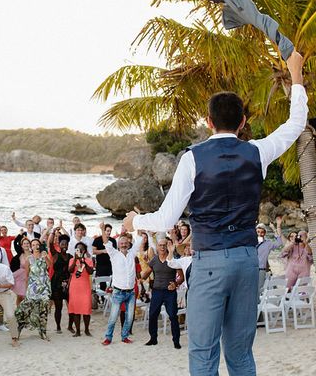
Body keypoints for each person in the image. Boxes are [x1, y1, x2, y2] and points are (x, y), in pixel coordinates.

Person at [124, 51, 307, 375]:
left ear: (208, 122)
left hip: (209, 263)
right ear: (242, 123)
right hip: (247, 261)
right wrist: (296, 74)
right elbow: (295, 124)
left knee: (204, 355)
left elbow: (167, 219)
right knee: (240, 355)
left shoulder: (193, 158)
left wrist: (134, 221)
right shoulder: (257, 151)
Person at [140, 237, 182, 349]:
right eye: (160, 245)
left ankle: (176, 341)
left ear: (168, 246)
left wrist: (175, 284)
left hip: (170, 292)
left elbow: (181, 277)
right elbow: (146, 274)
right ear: (157, 247)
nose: (162, 247)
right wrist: (141, 276)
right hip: (157, 291)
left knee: (173, 316)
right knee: (153, 315)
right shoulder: (154, 260)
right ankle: (153, 339)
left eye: (164, 245)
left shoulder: (173, 259)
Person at [101, 232, 140, 345]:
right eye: (121, 243)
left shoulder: (132, 254)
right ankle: (108, 338)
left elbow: (139, 241)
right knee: (113, 317)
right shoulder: (114, 254)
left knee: (129, 317)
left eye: (125, 243)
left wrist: (142, 227)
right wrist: (103, 229)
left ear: (128, 244)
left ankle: (125, 336)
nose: (123, 245)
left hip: (131, 292)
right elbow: (106, 242)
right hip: (118, 292)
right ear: (118, 245)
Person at [14, 239, 52, 341]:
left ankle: (43, 332)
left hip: (44, 287)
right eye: (33, 245)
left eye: (37, 244)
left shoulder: (44, 255)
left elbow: (49, 266)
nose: (35, 246)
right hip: (33, 288)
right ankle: (19, 330)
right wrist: (26, 291)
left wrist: (45, 257)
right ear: (31, 247)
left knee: (43, 310)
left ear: (40, 246)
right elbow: (26, 276)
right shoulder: (29, 259)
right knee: (27, 309)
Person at [67, 241, 94, 337]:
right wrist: (75, 260)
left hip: (85, 287)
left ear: (85, 250)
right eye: (78, 249)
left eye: (81, 249)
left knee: (86, 308)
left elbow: (90, 272)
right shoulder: (71, 260)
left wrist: (84, 262)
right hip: (74, 287)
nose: (80, 250)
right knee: (76, 309)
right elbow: (70, 270)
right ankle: (78, 331)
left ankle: (87, 329)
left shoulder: (89, 260)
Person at [48, 232, 72, 333]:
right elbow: (50, 244)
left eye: (66, 244)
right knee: (58, 307)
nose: (64, 246)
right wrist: (53, 232)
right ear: (59, 244)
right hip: (56, 283)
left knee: (71, 306)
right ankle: (58, 327)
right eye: (62, 244)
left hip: (67, 283)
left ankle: (70, 326)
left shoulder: (71, 256)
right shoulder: (55, 254)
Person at [256, 217, 284, 296]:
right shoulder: (251, 242)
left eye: (262, 232)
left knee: (260, 289)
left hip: (261, 270)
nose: (260, 234)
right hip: (251, 269)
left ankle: (259, 307)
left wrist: (274, 229)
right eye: (258, 232)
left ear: (265, 233)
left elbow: (279, 243)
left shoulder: (268, 243)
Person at [92, 223, 116, 289]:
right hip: (100, 264)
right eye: (107, 231)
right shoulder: (97, 240)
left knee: (112, 282)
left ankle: (109, 297)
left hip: (110, 264)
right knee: (102, 284)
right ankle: (102, 298)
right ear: (104, 231)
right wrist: (103, 251)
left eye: (110, 231)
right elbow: (93, 251)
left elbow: (115, 252)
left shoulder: (113, 240)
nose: (109, 232)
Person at [11, 236, 31, 304]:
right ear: (22, 246)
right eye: (24, 243)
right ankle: (18, 311)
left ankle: (26, 312)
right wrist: (20, 235)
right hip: (20, 277)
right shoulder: (20, 255)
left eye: (27, 243)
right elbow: (15, 243)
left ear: (30, 244)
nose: (26, 245)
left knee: (27, 296)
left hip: (30, 276)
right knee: (19, 296)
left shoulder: (33, 254)